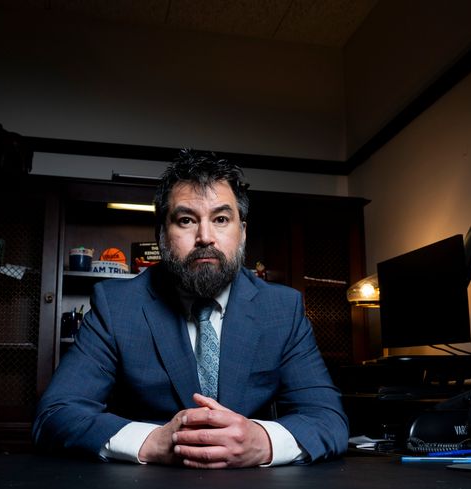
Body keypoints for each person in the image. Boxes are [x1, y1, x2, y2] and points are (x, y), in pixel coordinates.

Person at [33, 149, 348, 467]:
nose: (205, 238)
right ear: (162, 235)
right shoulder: (116, 307)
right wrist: (152, 442)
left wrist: (263, 442)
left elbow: (327, 418)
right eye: (186, 220)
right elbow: (56, 414)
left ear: (243, 232)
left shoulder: (282, 309)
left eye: (221, 219)